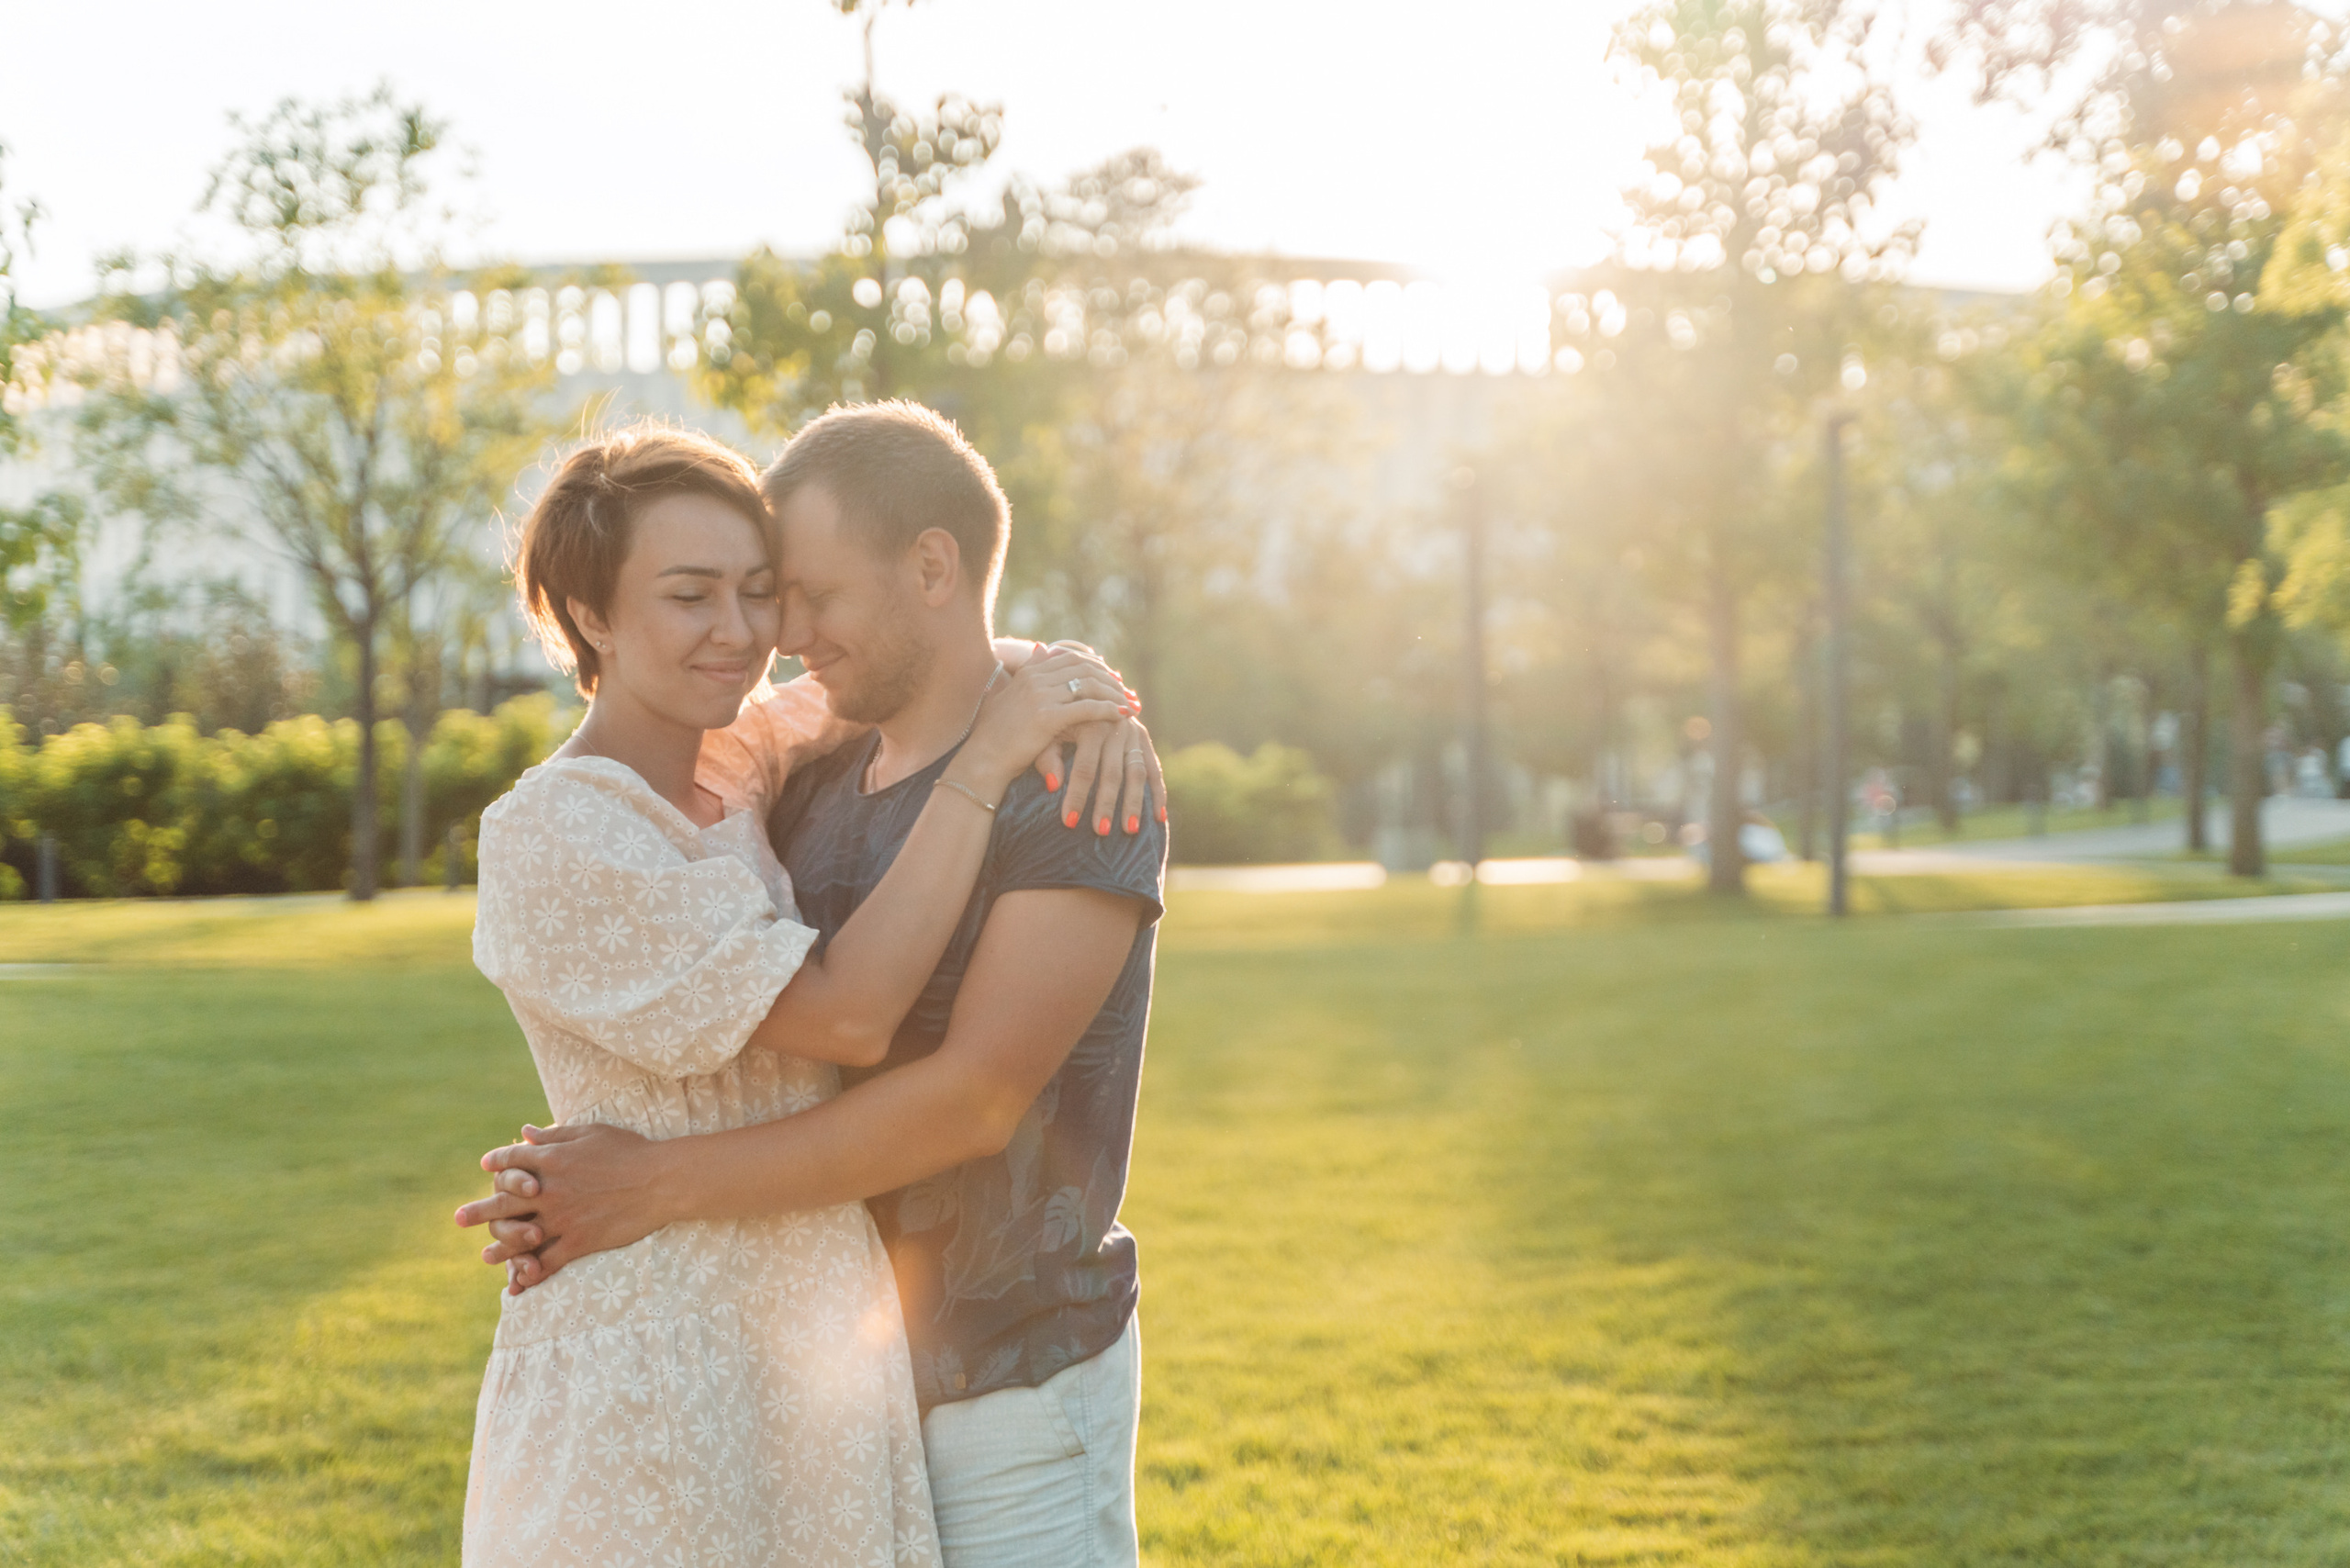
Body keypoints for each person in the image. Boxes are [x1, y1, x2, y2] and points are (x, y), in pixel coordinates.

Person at [460, 401, 1170, 1567]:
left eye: (780, 590)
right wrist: (1024, 708)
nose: (767, 634)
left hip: (997, 1365)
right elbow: (838, 998)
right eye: (701, 594)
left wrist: (1067, 678)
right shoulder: (723, 785)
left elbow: (970, 1098)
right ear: (592, 613)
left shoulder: (1023, 786)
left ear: (930, 565)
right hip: (742, 1360)